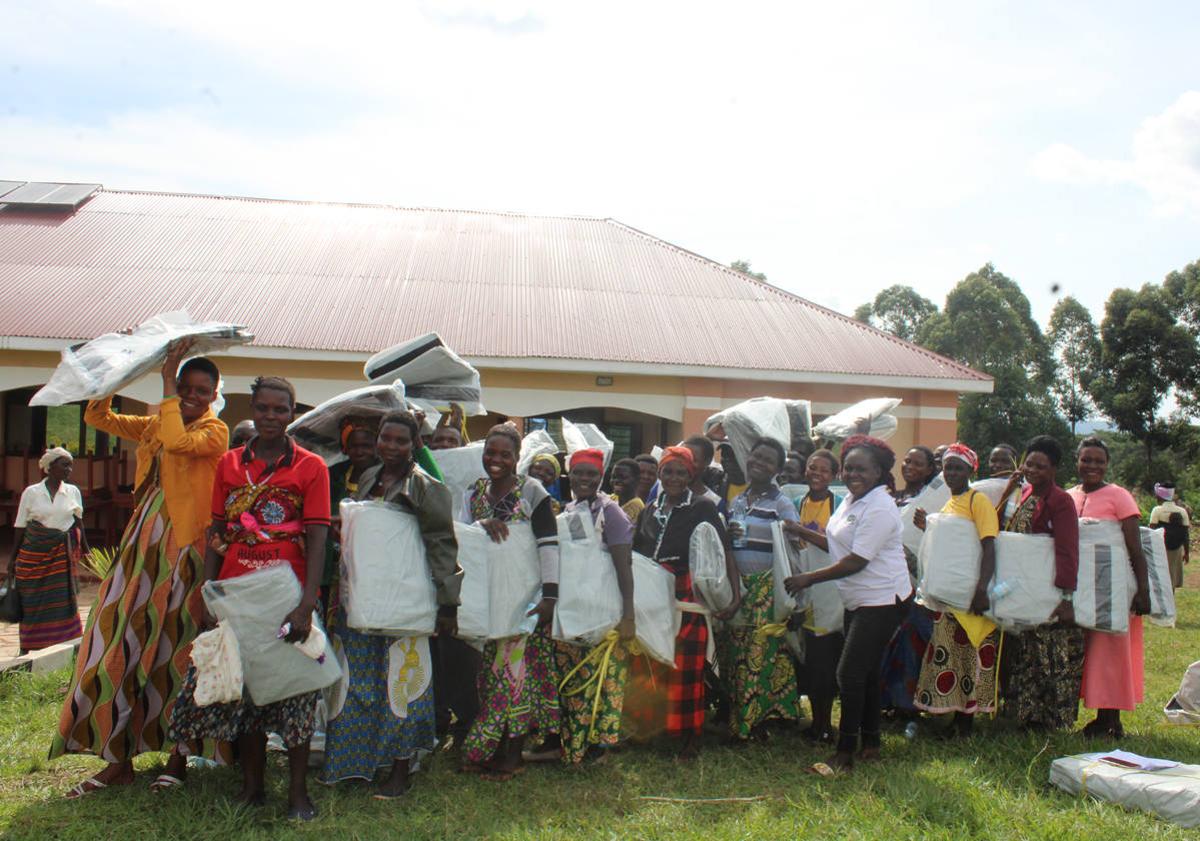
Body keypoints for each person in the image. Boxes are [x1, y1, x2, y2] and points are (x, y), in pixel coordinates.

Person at [53, 341, 228, 797]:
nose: (192, 396)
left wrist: (167, 383)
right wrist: (123, 370)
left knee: (181, 646)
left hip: (187, 552)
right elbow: (98, 418)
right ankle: (118, 761)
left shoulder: (216, 432)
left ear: (214, 395)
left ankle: (178, 758)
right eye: (185, 388)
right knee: (121, 637)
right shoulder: (156, 423)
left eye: (201, 391)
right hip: (141, 547)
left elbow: (178, 442)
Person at [169, 376, 330, 820]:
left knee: (295, 692)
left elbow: (318, 536)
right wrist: (209, 592)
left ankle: (298, 794)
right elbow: (215, 531)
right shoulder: (228, 464)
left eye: (281, 410)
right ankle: (252, 787)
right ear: (253, 409)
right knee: (247, 696)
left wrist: (306, 604)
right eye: (263, 409)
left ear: (293, 413)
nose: (272, 417)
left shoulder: (311, 466)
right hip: (237, 594)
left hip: (287, 594)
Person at [321, 411, 461, 797]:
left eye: (401, 440)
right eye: (386, 438)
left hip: (406, 600)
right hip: (363, 597)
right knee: (357, 679)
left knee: (402, 681)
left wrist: (447, 605)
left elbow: (442, 545)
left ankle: (401, 769)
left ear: (415, 443)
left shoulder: (425, 487)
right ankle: (356, 763)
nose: (392, 446)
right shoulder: (368, 477)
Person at [783, 435, 912, 774]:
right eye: (849, 468)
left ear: (880, 471)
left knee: (848, 673)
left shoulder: (880, 506)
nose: (854, 474)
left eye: (862, 469)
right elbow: (837, 544)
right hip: (859, 598)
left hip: (883, 599)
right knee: (865, 673)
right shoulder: (852, 500)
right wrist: (798, 530)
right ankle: (870, 742)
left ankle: (844, 754)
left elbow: (856, 561)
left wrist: (807, 579)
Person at [458, 424, 560, 781]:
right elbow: (462, 536)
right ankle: (498, 746)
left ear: (518, 458)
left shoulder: (533, 491)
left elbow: (548, 544)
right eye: (490, 452)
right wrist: (481, 523)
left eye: (505, 454)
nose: (496, 460)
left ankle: (512, 755)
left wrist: (549, 596)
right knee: (490, 675)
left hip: (524, 598)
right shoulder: (475, 492)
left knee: (514, 677)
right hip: (487, 599)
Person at [630, 446, 738, 759]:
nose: (674, 478)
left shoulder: (703, 507)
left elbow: (725, 550)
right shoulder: (651, 509)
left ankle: (691, 736)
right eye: (668, 471)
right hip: (654, 592)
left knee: (689, 665)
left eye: (681, 472)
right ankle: (655, 727)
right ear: (659, 474)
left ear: (691, 475)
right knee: (654, 660)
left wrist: (734, 594)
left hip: (687, 591)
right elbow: (639, 552)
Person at [911, 443, 999, 737]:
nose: (951, 472)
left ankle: (966, 723)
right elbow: (952, 547)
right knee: (951, 655)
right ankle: (954, 717)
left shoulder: (978, 501)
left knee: (969, 657)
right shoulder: (950, 504)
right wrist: (928, 528)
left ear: (971, 470)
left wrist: (982, 589)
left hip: (971, 597)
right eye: (948, 467)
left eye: (958, 467)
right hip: (951, 597)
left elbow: (989, 545)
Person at [1067, 437, 1151, 739]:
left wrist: (1143, 590)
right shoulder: (1069, 496)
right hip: (1079, 588)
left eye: (1099, 461)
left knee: (1109, 652)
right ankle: (1094, 716)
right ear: (1076, 460)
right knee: (1086, 651)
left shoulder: (1119, 496)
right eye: (1086, 459)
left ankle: (1109, 720)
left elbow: (1134, 548)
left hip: (1113, 588)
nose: (1092, 466)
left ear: (1107, 465)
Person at [557, 448, 637, 764]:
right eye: (579, 472)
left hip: (605, 610)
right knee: (577, 678)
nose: (585, 479)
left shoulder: (611, 513)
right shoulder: (571, 510)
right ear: (570, 475)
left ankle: (598, 747)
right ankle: (573, 745)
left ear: (600, 476)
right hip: (577, 608)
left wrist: (628, 614)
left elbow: (624, 566)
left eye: (592, 473)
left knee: (603, 679)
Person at [998, 435, 1081, 732]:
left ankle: (1051, 719)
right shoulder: (1025, 494)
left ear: (1054, 469)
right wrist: (1010, 487)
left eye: (1040, 466)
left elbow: (1067, 549)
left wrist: (1066, 596)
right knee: (1027, 653)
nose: (1032, 469)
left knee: (1051, 656)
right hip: (1026, 589)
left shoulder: (1060, 501)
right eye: (1028, 463)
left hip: (1051, 590)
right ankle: (1027, 715)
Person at [720, 438, 801, 739]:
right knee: (739, 654)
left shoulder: (781, 504)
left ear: (778, 469)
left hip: (767, 589)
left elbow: (794, 548)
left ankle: (761, 721)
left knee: (762, 655)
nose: (759, 463)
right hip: (739, 586)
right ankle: (741, 714)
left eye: (768, 460)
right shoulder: (738, 500)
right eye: (756, 457)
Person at [879, 444, 941, 713]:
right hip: (886, 580)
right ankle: (884, 702)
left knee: (909, 645)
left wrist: (929, 525)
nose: (909, 467)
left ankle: (907, 705)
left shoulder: (934, 500)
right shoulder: (892, 498)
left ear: (930, 469)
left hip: (916, 583)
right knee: (885, 641)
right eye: (906, 461)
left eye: (917, 463)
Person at [8, 447, 85, 653]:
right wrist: (12, 559)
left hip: (60, 556)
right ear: (50, 468)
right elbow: (20, 526)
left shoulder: (73, 492)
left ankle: (66, 646)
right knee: (30, 602)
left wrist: (86, 551)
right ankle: (27, 647)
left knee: (61, 601)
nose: (68, 470)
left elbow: (78, 523)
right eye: (64, 465)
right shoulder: (32, 492)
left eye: (70, 466)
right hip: (33, 554)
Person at [792, 448, 843, 743]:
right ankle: (815, 721)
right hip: (804, 586)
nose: (817, 474)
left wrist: (799, 530)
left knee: (826, 658)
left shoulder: (838, 504)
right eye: (813, 468)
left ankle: (825, 724)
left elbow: (837, 547)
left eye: (824, 470)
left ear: (835, 476)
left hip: (830, 589)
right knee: (810, 656)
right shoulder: (799, 502)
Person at [323, 418, 380, 613]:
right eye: (354, 446)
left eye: (366, 445)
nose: (360, 451)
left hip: (371, 563)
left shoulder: (386, 476)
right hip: (335, 563)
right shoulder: (333, 475)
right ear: (345, 448)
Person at [1150, 483, 1190, 589]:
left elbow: (1152, 532)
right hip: (1177, 549)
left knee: (1160, 577)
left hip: (1160, 549)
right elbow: (1185, 534)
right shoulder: (1182, 511)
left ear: (1160, 496)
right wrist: (1186, 552)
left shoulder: (1157, 510)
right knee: (1172, 576)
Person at [682, 435, 722, 508]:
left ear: (708, 461)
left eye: (694, 460)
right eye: (683, 458)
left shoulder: (715, 502)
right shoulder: (666, 493)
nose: (687, 464)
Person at [610, 457, 647, 524]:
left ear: (637, 480)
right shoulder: (612, 498)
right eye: (614, 477)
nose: (616, 481)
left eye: (623, 477)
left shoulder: (636, 506)